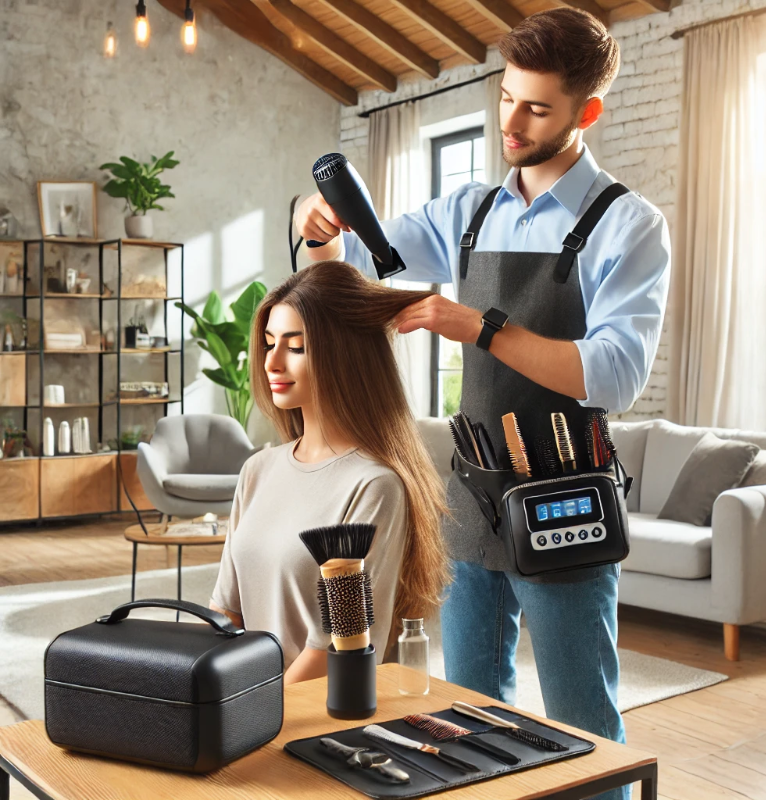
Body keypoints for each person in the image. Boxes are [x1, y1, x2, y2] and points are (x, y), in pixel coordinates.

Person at [295, 8, 670, 799]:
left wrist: (480, 326)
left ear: (586, 112)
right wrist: (320, 226)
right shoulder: (468, 212)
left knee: (584, 722)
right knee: (463, 715)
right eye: (506, 98)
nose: (513, 120)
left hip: (564, 503)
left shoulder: (626, 225)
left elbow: (614, 373)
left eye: (537, 107)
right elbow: (359, 261)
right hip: (472, 495)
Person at [210, 261, 450, 685]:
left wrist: (249, 714)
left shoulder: (374, 485)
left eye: (296, 346)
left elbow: (336, 649)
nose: (272, 362)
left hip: (313, 713)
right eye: (269, 344)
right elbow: (224, 614)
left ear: (344, 354)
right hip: (245, 703)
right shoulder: (257, 471)